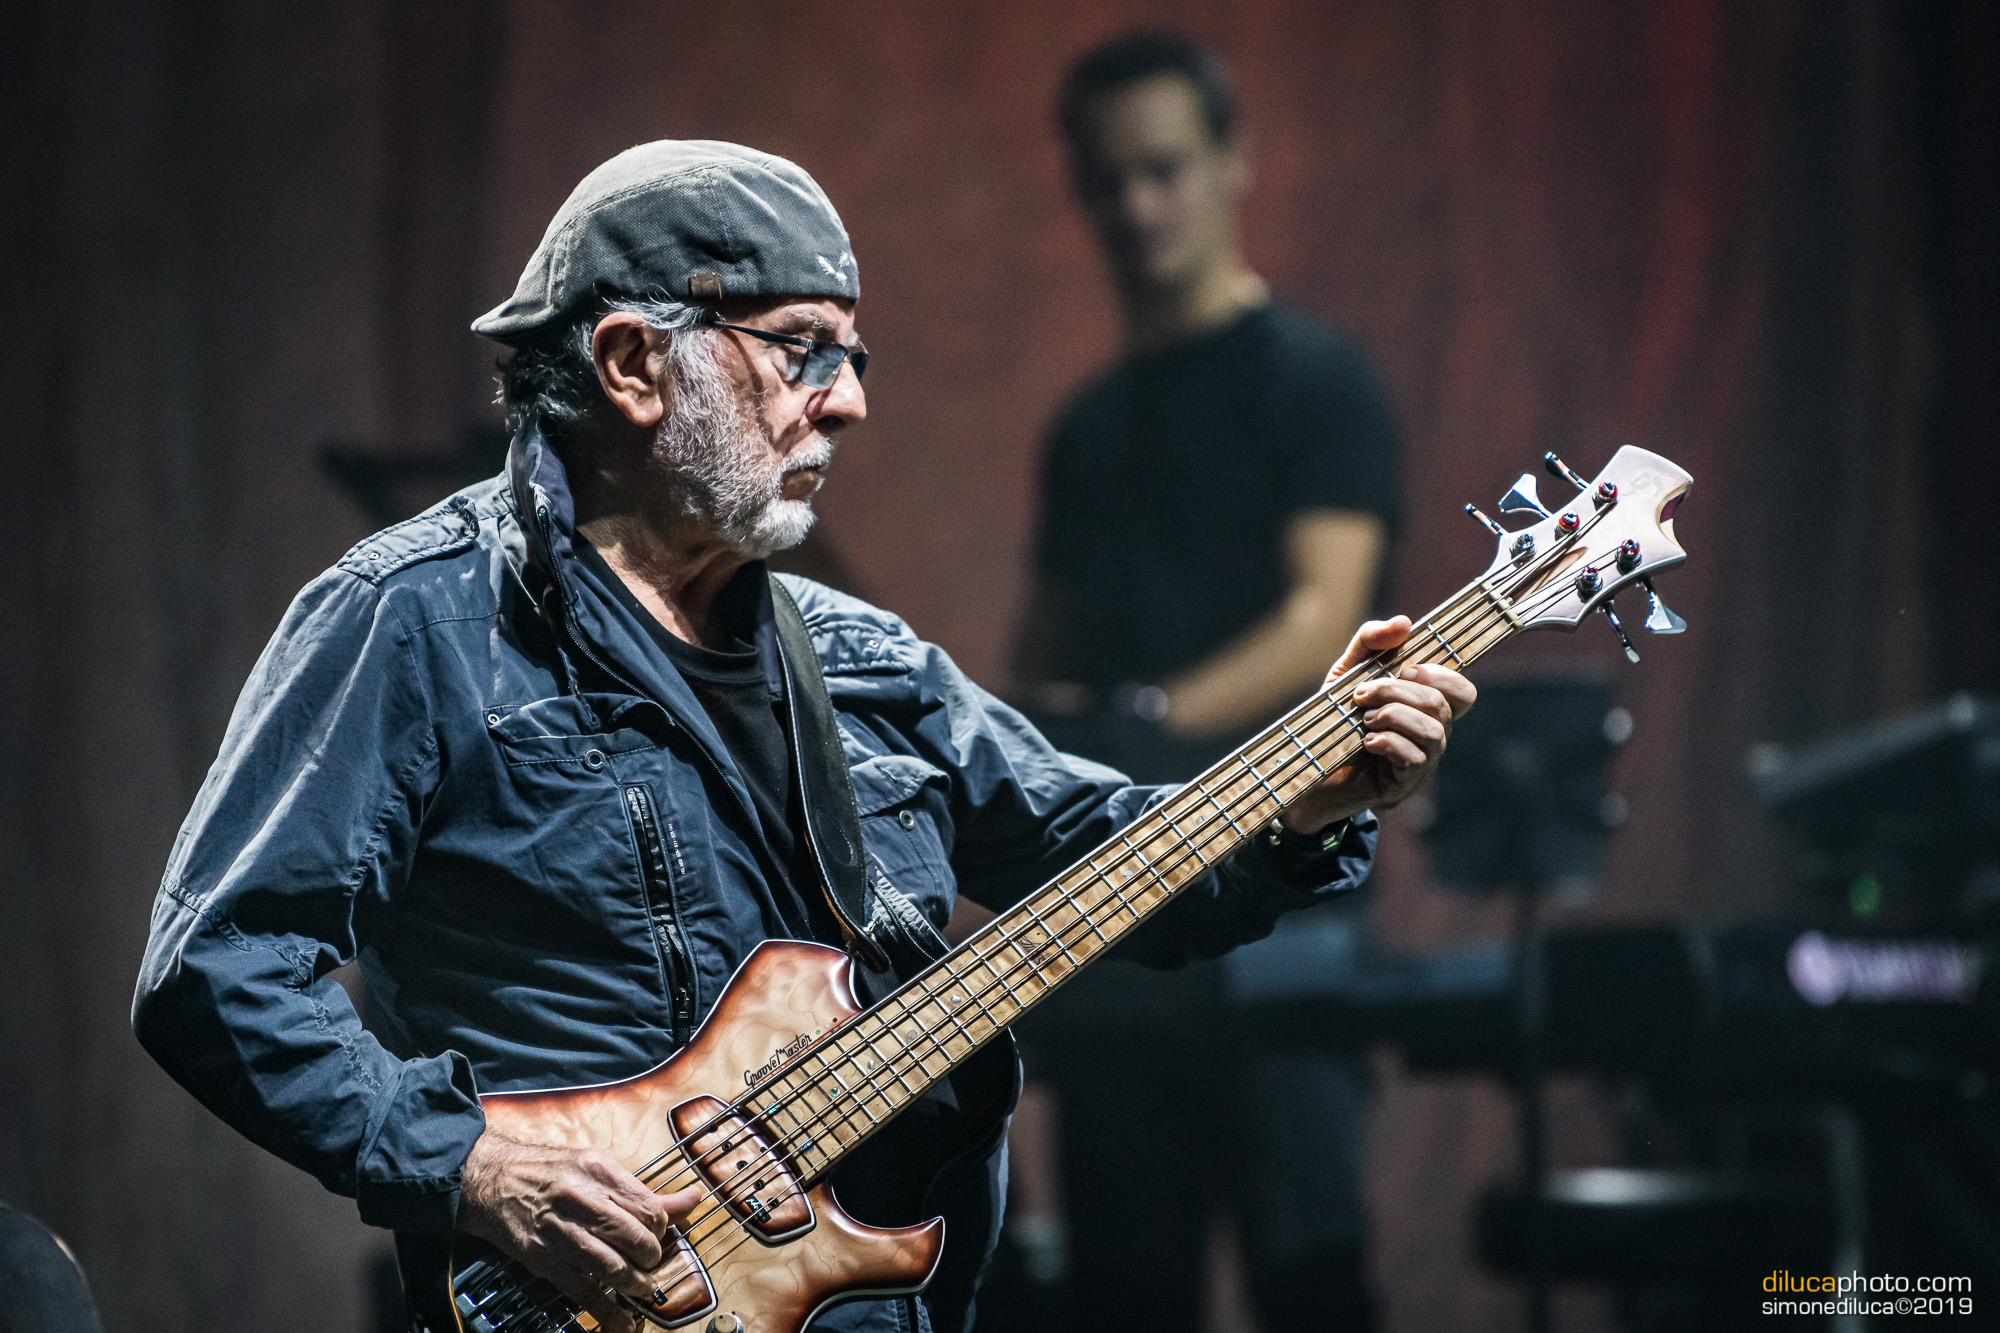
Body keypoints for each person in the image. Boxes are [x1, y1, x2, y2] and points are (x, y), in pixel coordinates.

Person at [132, 140, 1470, 1333]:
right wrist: (473, 1168)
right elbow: (218, 966)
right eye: (801, 349)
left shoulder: (861, 659)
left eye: (853, 358)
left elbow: (1111, 857)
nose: (847, 401)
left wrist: (1311, 797)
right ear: (634, 366)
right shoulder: (414, 619)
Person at [1012, 35, 1404, 1333]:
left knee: (1312, 1284)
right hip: (1123, 935)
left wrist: (1145, 723)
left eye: (1166, 170)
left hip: (1289, 916)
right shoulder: (1084, 434)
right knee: (1125, 1297)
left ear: (1234, 164)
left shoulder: (1321, 382)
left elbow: (1324, 619)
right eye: (1109, 181)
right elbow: (1037, 660)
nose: (1137, 207)